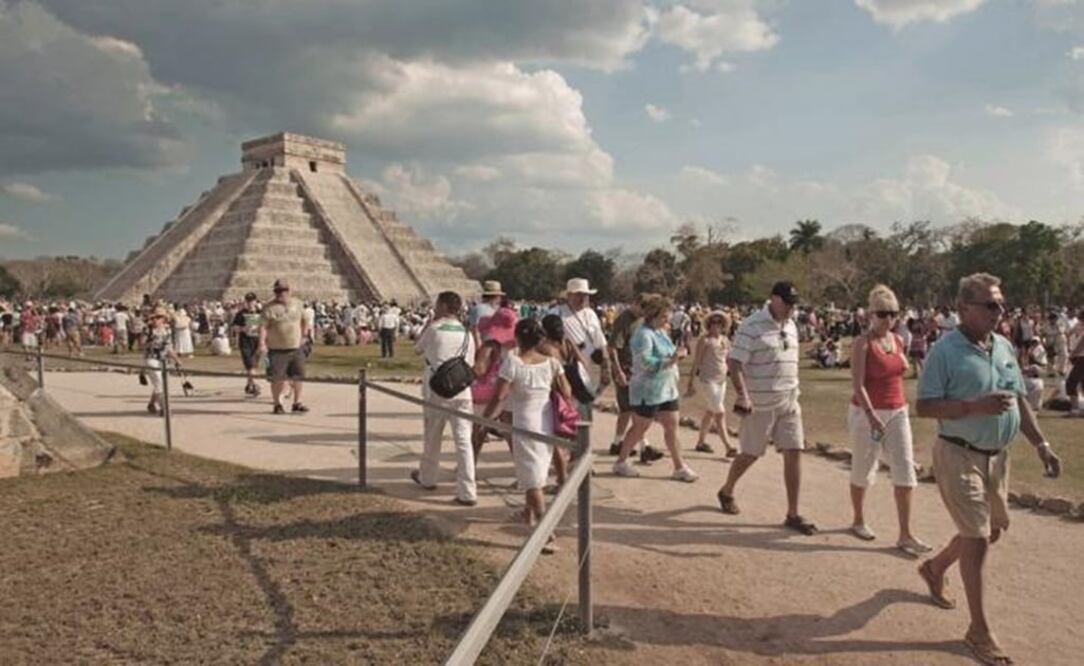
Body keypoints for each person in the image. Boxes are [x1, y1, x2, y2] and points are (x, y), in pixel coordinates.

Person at [915, 272, 1062, 666]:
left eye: (1001, 304)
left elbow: (1018, 398)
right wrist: (971, 407)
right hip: (959, 453)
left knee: (990, 531)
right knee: (977, 538)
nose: (1000, 311)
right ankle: (978, 631)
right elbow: (924, 406)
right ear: (963, 309)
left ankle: (934, 568)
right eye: (991, 305)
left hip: (998, 457)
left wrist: (1042, 445)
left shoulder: (1002, 346)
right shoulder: (944, 352)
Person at [716, 281, 818, 536]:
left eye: (794, 303)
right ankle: (727, 490)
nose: (792, 308)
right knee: (751, 453)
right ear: (774, 299)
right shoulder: (751, 326)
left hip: (789, 399)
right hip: (760, 403)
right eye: (787, 303)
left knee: (794, 450)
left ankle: (793, 513)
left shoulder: (791, 325)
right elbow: (735, 363)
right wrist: (743, 396)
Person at [846, 285, 930, 556]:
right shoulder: (862, 343)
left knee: (904, 468)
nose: (888, 319)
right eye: (882, 314)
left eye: (893, 314)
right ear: (871, 314)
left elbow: (901, 367)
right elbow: (858, 385)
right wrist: (871, 416)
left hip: (897, 410)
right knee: (863, 466)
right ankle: (858, 518)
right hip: (866, 412)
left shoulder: (898, 341)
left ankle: (905, 534)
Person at [484, 318, 573, 541]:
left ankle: (544, 528)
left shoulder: (513, 362)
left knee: (532, 477)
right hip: (546, 420)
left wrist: (485, 419)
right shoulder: (551, 362)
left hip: (525, 421)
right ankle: (528, 513)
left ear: (518, 338)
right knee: (536, 468)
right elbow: (567, 392)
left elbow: (500, 395)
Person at [611, 295, 699, 482]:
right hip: (647, 390)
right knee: (640, 427)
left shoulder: (660, 332)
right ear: (652, 315)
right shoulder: (643, 334)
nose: (667, 321)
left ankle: (679, 466)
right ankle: (621, 461)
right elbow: (645, 362)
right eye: (664, 317)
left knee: (672, 426)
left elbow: (667, 352)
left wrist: (678, 354)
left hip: (666, 388)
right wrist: (672, 360)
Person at [411, 291, 478, 506]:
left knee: (432, 437)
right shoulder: (467, 333)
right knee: (464, 442)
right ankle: (467, 491)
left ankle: (428, 478)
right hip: (462, 391)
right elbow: (470, 361)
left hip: (436, 390)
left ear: (443, 306)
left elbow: (417, 349)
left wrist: (430, 323)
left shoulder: (434, 328)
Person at [606, 295, 663, 462]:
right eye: (643, 308)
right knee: (634, 410)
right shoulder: (624, 320)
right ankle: (644, 446)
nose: (644, 313)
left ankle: (618, 443)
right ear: (635, 303)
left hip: (638, 370)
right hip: (625, 369)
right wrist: (618, 371)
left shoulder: (642, 320)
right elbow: (613, 347)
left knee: (629, 410)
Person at [552, 278, 611, 416]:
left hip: (590, 366)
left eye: (585, 294)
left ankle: (582, 434)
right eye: (579, 294)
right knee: (567, 403)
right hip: (567, 366)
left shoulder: (591, 314)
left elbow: (600, 341)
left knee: (585, 404)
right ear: (569, 295)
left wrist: (606, 366)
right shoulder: (557, 313)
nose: (583, 298)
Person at [686, 310, 736, 456]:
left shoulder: (725, 340)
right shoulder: (705, 340)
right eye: (713, 322)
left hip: (722, 381)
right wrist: (690, 382)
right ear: (709, 324)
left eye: (719, 323)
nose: (716, 325)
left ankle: (700, 442)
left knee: (710, 411)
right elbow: (696, 362)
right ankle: (728, 447)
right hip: (707, 380)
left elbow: (728, 360)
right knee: (719, 413)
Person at [470, 305, 516, 465]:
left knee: (479, 430)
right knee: (511, 433)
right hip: (512, 391)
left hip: (491, 393)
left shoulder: (490, 344)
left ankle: (470, 465)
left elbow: (480, 368)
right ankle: (520, 471)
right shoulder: (517, 345)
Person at [259, 279, 309, 415]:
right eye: (277, 291)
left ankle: (297, 402)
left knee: (298, 376)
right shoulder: (269, 307)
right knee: (277, 378)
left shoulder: (298, 304)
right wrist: (262, 343)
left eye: (283, 290)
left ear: (290, 290)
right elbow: (263, 327)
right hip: (276, 349)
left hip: (295, 347)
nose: (281, 293)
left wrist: (304, 335)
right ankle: (277, 404)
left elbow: (305, 320)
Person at [143, 307, 182, 416]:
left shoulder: (167, 330)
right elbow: (142, 343)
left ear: (164, 319)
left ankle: (151, 404)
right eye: (154, 317)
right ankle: (164, 408)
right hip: (151, 359)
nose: (156, 319)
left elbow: (169, 347)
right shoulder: (148, 330)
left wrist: (176, 359)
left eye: (159, 317)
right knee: (159, 383)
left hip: (164, 360)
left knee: (160, 383)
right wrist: (150, 338)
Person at [233, 293, 263, 396]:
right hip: (245, 342)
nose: (250, 303)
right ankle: (254, 386)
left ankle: (249, 385)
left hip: (257, 342)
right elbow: (234, 327)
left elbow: (266, 327)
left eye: (252, 301)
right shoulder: (240, 314)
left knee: (253, 366)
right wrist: (243, 329)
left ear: (255, 301)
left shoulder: (261, 313)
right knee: (249, 366)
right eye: (248, 301)